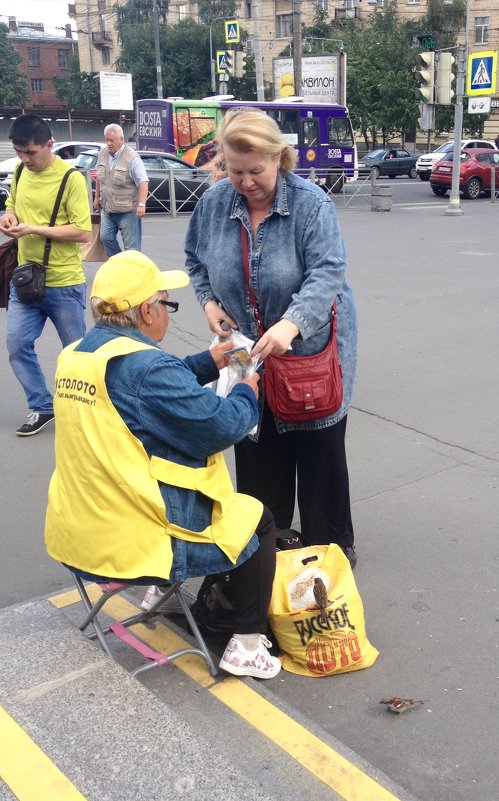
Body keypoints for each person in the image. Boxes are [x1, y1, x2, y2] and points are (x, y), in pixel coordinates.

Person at [44, 250, 281, 679]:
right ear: (148, 310)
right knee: (257, 518)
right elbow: (221, 426)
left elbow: (144, 389)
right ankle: (247, 644)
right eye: (167, 304)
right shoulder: (146, 367)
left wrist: (208, 362)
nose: (168, 313)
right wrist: (247, 387)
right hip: (134, 541)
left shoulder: (77, 354)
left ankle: (163, 595)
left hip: (78, 533)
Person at [185, 109, 358, 568]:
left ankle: (330, 550)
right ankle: (269, 544)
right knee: (258, 447)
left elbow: (328, 273)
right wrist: (208, 303)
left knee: (317, 448)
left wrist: (292, 323)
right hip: (246, 350)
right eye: (234, 170)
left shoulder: (310, 203)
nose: (244, 182)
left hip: (309, 348)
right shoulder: (215, 202)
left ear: (279, 158)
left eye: (255, 170)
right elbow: (195, 260)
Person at [0, 114, 91, 437]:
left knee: (77, 354)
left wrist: (34, 228)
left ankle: (86, 411)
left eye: (31, 153)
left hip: (64, 282)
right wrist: (9, 217)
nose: (25, 159)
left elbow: (82, 231)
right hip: (25, 279)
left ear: (49, 145)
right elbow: (12, 204)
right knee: (16, 344)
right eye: (20, 152)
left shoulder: (71, 179)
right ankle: (42, 406)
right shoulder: (22, 171)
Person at [94, 124, 148, 257]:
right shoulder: (103, 153)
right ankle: (120, 265)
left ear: (121, 139)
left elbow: (143, 182)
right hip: (107, 210)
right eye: (107, 140)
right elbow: (99, 177)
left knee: (132, 249)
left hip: (128, 211)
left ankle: (134, 273)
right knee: (105, 238)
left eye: (112, 140)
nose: (109, 143)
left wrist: (141, 204)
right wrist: (97, 197)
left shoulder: (132, 157)